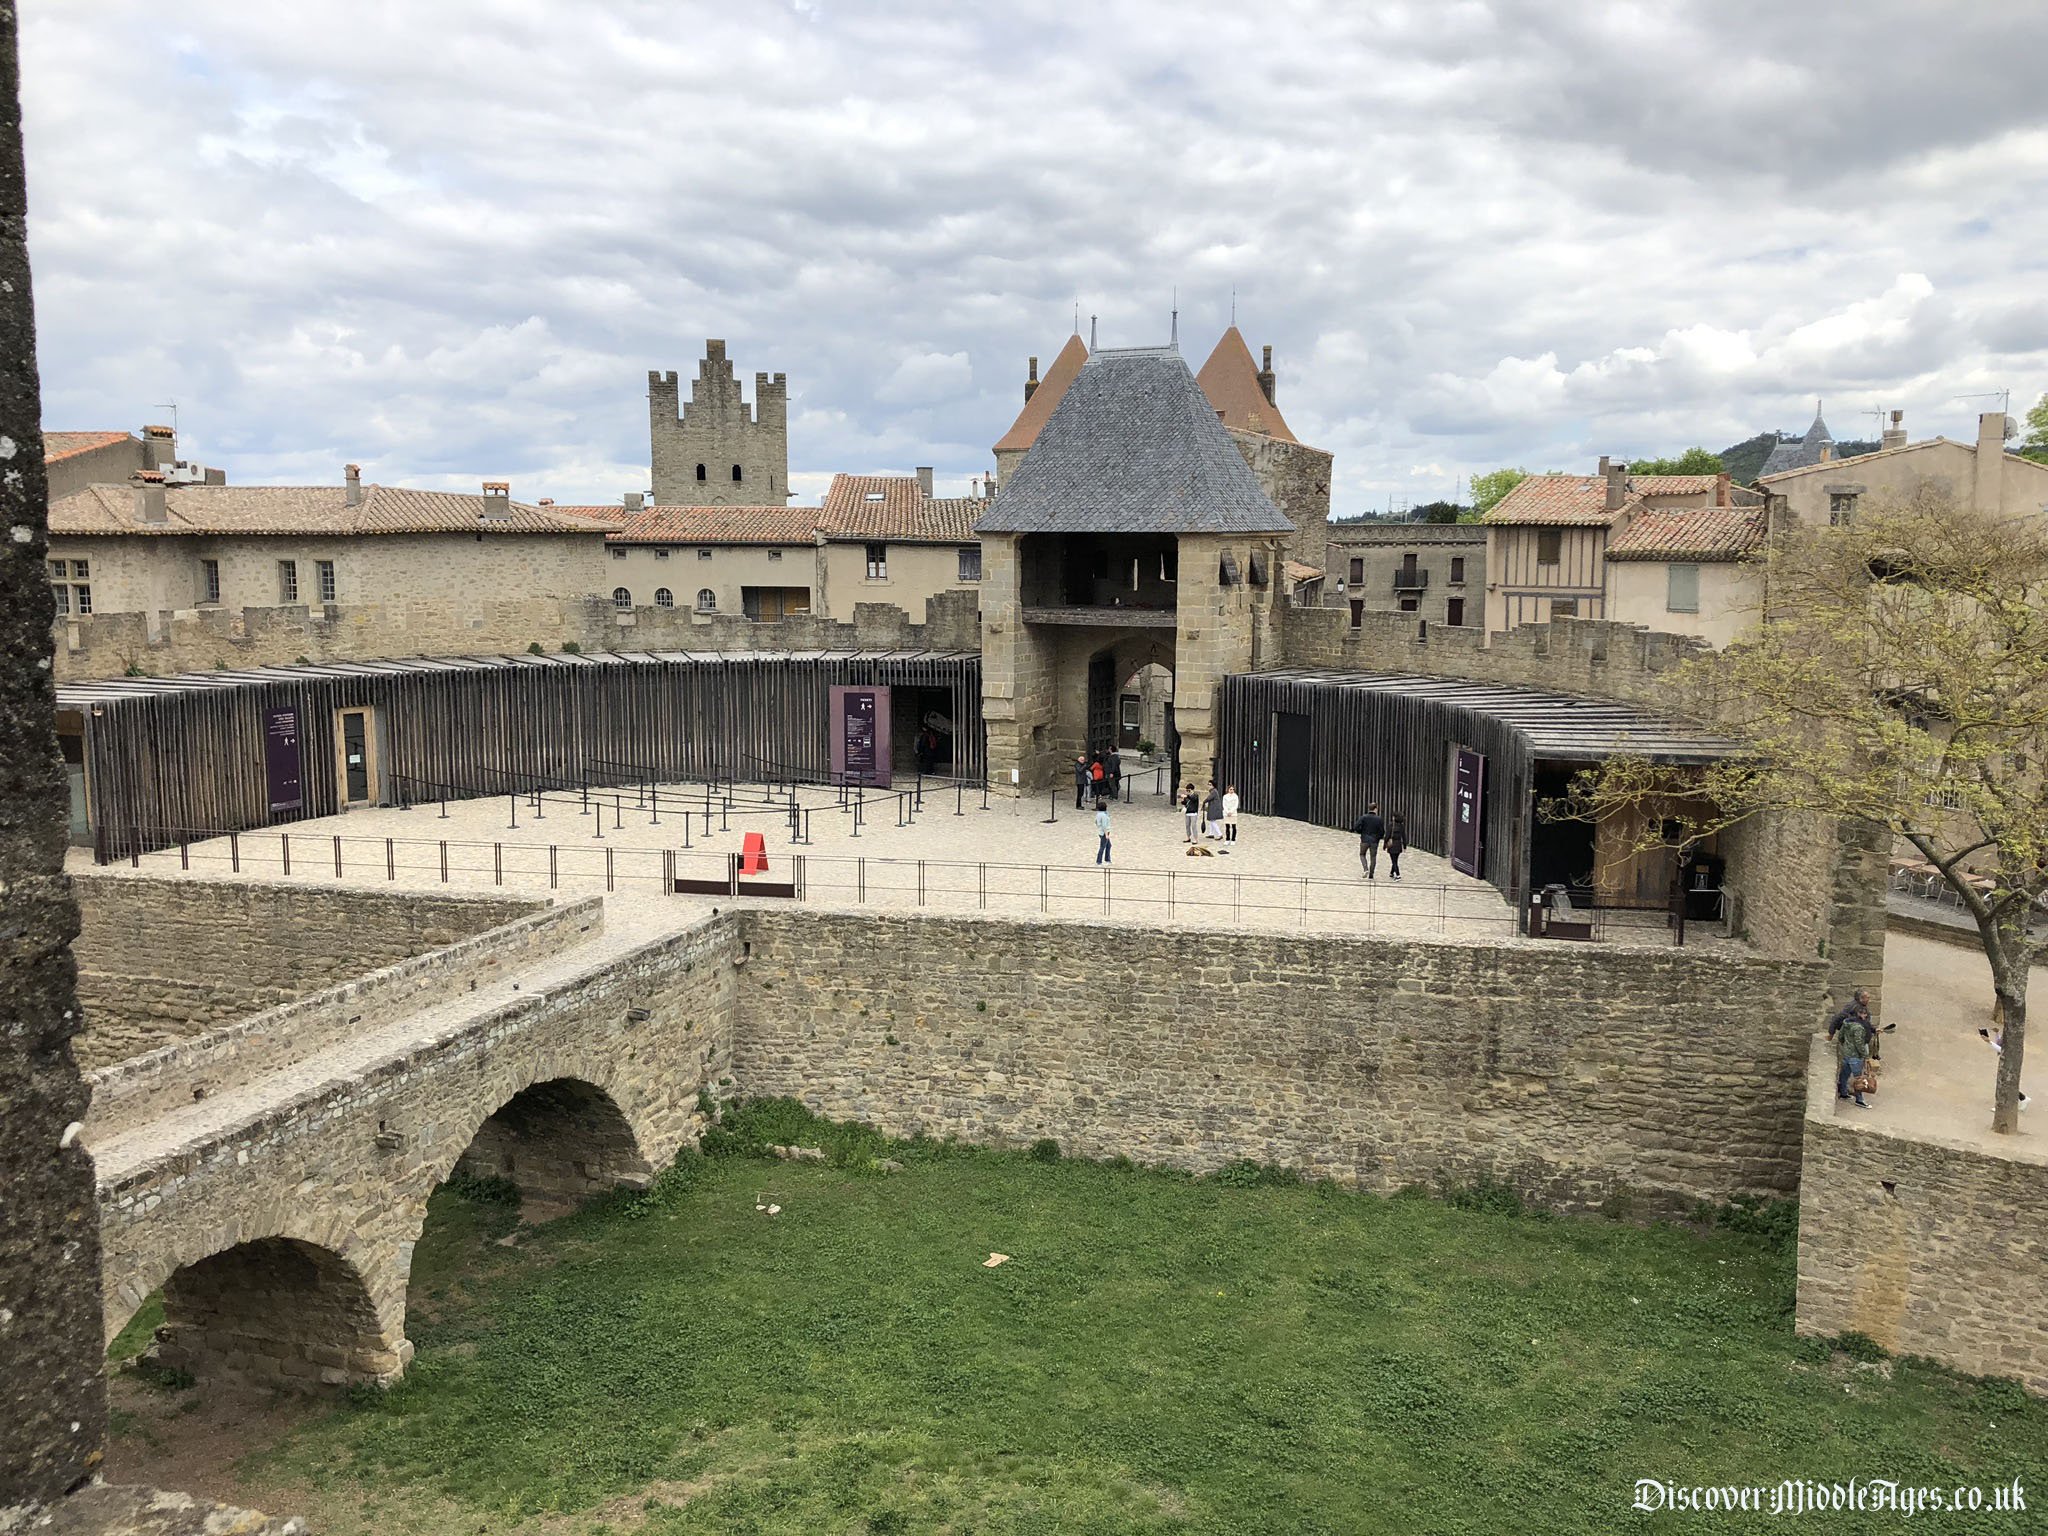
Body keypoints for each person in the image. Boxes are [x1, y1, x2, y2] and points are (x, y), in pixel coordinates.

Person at [1832, 1001, 1872, 1107]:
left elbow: (1841, 1037)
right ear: (1859, 1014)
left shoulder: (1846, 1023)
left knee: (1844, 1075)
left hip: (1847, 1054)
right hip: (1855, 1056)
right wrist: (1865, 1056)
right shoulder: (1858, 1028)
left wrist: (1846, 1046)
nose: (1865, 1016)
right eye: (1863, 1014)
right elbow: (1859, 1044)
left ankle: (1844, 1093)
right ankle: (1859, 1100)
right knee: (1859, 1079)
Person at [1827, 989, 1878, 1062]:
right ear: (1861, 998)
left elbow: (1865, 1023)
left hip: (1858, 1040)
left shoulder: (1860, 1007)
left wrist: (1874, 1030)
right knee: (1857, 1061)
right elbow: (1837, 1018)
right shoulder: (1852, 1008)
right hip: (1855, 1042)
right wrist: (1831, 1033)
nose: (1869, 999)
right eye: (1867, 997)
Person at [1352, 803, 1385, 879]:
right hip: (1374, 841)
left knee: (1362, 854)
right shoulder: (1379, 819)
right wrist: (1378, 838)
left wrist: (1361, 832)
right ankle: (1371, 874)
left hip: (1364, 839)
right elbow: (1382, 831)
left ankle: (1365, 869)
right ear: (1375, 809)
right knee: (1373, 857)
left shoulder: (1364, 817)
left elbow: (1356, 826)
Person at [1384, 812, 1407, 881]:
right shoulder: (1401, 826)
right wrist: (1405, 846)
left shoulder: (1391, 825)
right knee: (1395, 860)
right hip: (1398, 844)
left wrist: (1385, 845)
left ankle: (1398, 875)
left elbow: (1387, 836)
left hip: (1392, 845)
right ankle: (1391, 873)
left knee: (1394, 861)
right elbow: (1404, 837)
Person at [1094, 797, 1112, 865]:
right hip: (1104, 832)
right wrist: (1106, 834)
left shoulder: (1098, 814)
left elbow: (1095, 822)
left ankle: (1107, 859)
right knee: (1102, 847)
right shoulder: (1104, 815)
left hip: (1100, 831)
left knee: (1108, 845)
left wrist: (1099, 827)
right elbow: (1104, 825)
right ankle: (1099, 861)